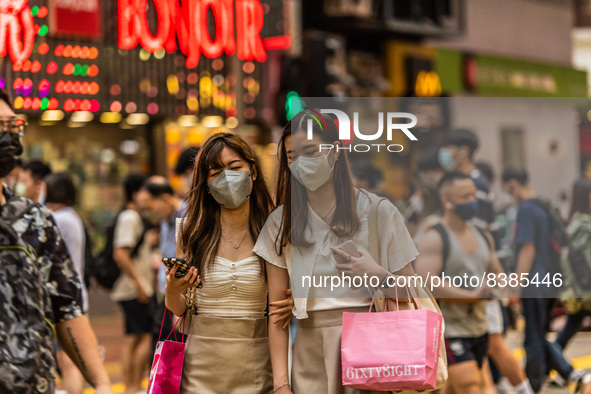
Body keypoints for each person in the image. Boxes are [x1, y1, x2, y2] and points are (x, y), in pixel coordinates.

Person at [254, 109, 418, 394]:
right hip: (309, 351)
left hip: (371, 349)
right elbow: (277, 314)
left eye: (311, 151)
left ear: (335, 151)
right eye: (292, 156)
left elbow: (411, 292)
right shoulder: (280, 222)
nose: (301, 162)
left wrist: (377, 275)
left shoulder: (379, 212)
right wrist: (281, 384)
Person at [0, 89, 112, 393]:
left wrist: (102, 383)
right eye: (0, 126)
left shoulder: (35, 219)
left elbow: (67, 308)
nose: (7, 136)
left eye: (12, 126)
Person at [165, 133, 293, 393]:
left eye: (235, 168)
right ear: (206, 183)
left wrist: (281, 383)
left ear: (253, 172)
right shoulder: (190, 231)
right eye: (215, 173)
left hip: (256, 366)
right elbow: (178, 316)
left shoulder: (273, 230)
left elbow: (278, 315)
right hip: (198, 366)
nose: (227, 178)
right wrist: (173, 290)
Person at [502, 167, 588, 392]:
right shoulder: (543, 204)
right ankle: (566, 373)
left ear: (511, 183)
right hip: (549, 280)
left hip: (534, 282)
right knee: (539, 334)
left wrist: (515, 287)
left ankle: (539, 382)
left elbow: (527, 249)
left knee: (534, 337)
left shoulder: (527, 209)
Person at [414, 172, 501, 394]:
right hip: (449, 329)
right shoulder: (434, 237)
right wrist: (469, 295)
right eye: (465, 196)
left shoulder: (483, 235)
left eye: (473, 194)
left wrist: (494, 285)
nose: (473, 201)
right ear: (447, 201)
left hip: (479, 326)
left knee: (458, 387)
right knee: (470, 385)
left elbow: (497, 272)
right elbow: (425, 283)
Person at [45, 172, 90, 394]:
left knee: (67, 360)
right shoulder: (72, 216)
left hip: (66, 296)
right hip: (76, 292)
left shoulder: (60, 218)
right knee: (70, 359)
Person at [110, 173, 155, 394]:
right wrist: (140, 285)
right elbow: (120, 254)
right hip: (135, 289)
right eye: (147, 191)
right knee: (142, 337)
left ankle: (131, 386)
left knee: (134, 337)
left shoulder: (133, 216)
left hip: (134, 287)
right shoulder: (130, 217)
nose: (150, 197)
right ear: (136, 193)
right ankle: (132, 386)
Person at [136, 180, 188, 353]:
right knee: (161, 352)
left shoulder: (187, 216)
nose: (147, 213)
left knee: (174, 354)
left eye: (149, 207)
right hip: (165, 296)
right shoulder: (166, 220)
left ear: (165, 199)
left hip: (179, 298)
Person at [556, 177, 591, 350]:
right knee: (569, 328)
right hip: (585, 288)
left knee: (570, 328)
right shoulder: (583, 226)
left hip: (581, 288)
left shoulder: (575, 222)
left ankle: (550, 362)